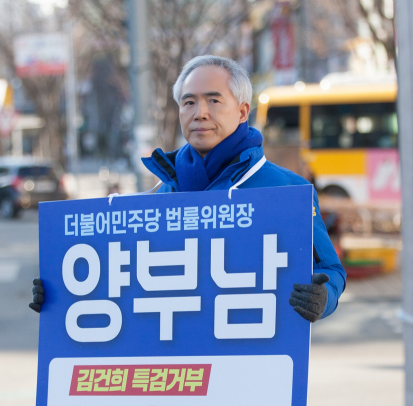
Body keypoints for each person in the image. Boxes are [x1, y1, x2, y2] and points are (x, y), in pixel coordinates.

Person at [30, 55, 346, 321]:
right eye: (189, 102)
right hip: (180, 373)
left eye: (213, 100)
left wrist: (322, 297)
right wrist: (59, 293)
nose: (200, 113)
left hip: (251, 364)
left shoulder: (288, 192)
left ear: (242, 111)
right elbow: (118, 279)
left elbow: (331, 271)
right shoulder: (159, 196)